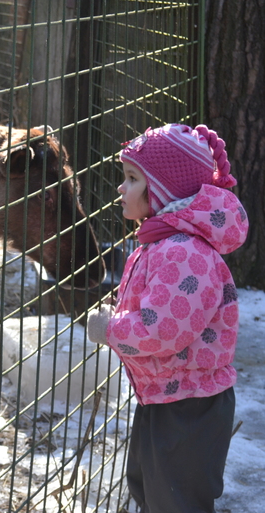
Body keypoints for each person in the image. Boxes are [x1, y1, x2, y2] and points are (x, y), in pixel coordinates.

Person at [86, 124, 249, 512]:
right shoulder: (162, 242)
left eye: (132, 179)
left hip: (189, 408)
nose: (121, 188)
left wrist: (110, 330)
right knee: (150, 490)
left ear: (164, 190)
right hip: (167, 394)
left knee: (176, 501)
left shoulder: (183, 252)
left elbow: (161, 331)